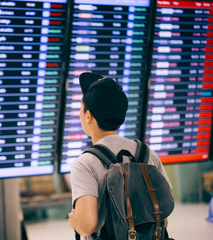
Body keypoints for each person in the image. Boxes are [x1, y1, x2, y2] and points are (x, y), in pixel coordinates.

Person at [68, 72, 172, 239]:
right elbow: (162, 219)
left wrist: (74, 221)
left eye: (81, 107)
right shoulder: (147, 154)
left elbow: (87, 225)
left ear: (88, 116)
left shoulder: (85, 163)